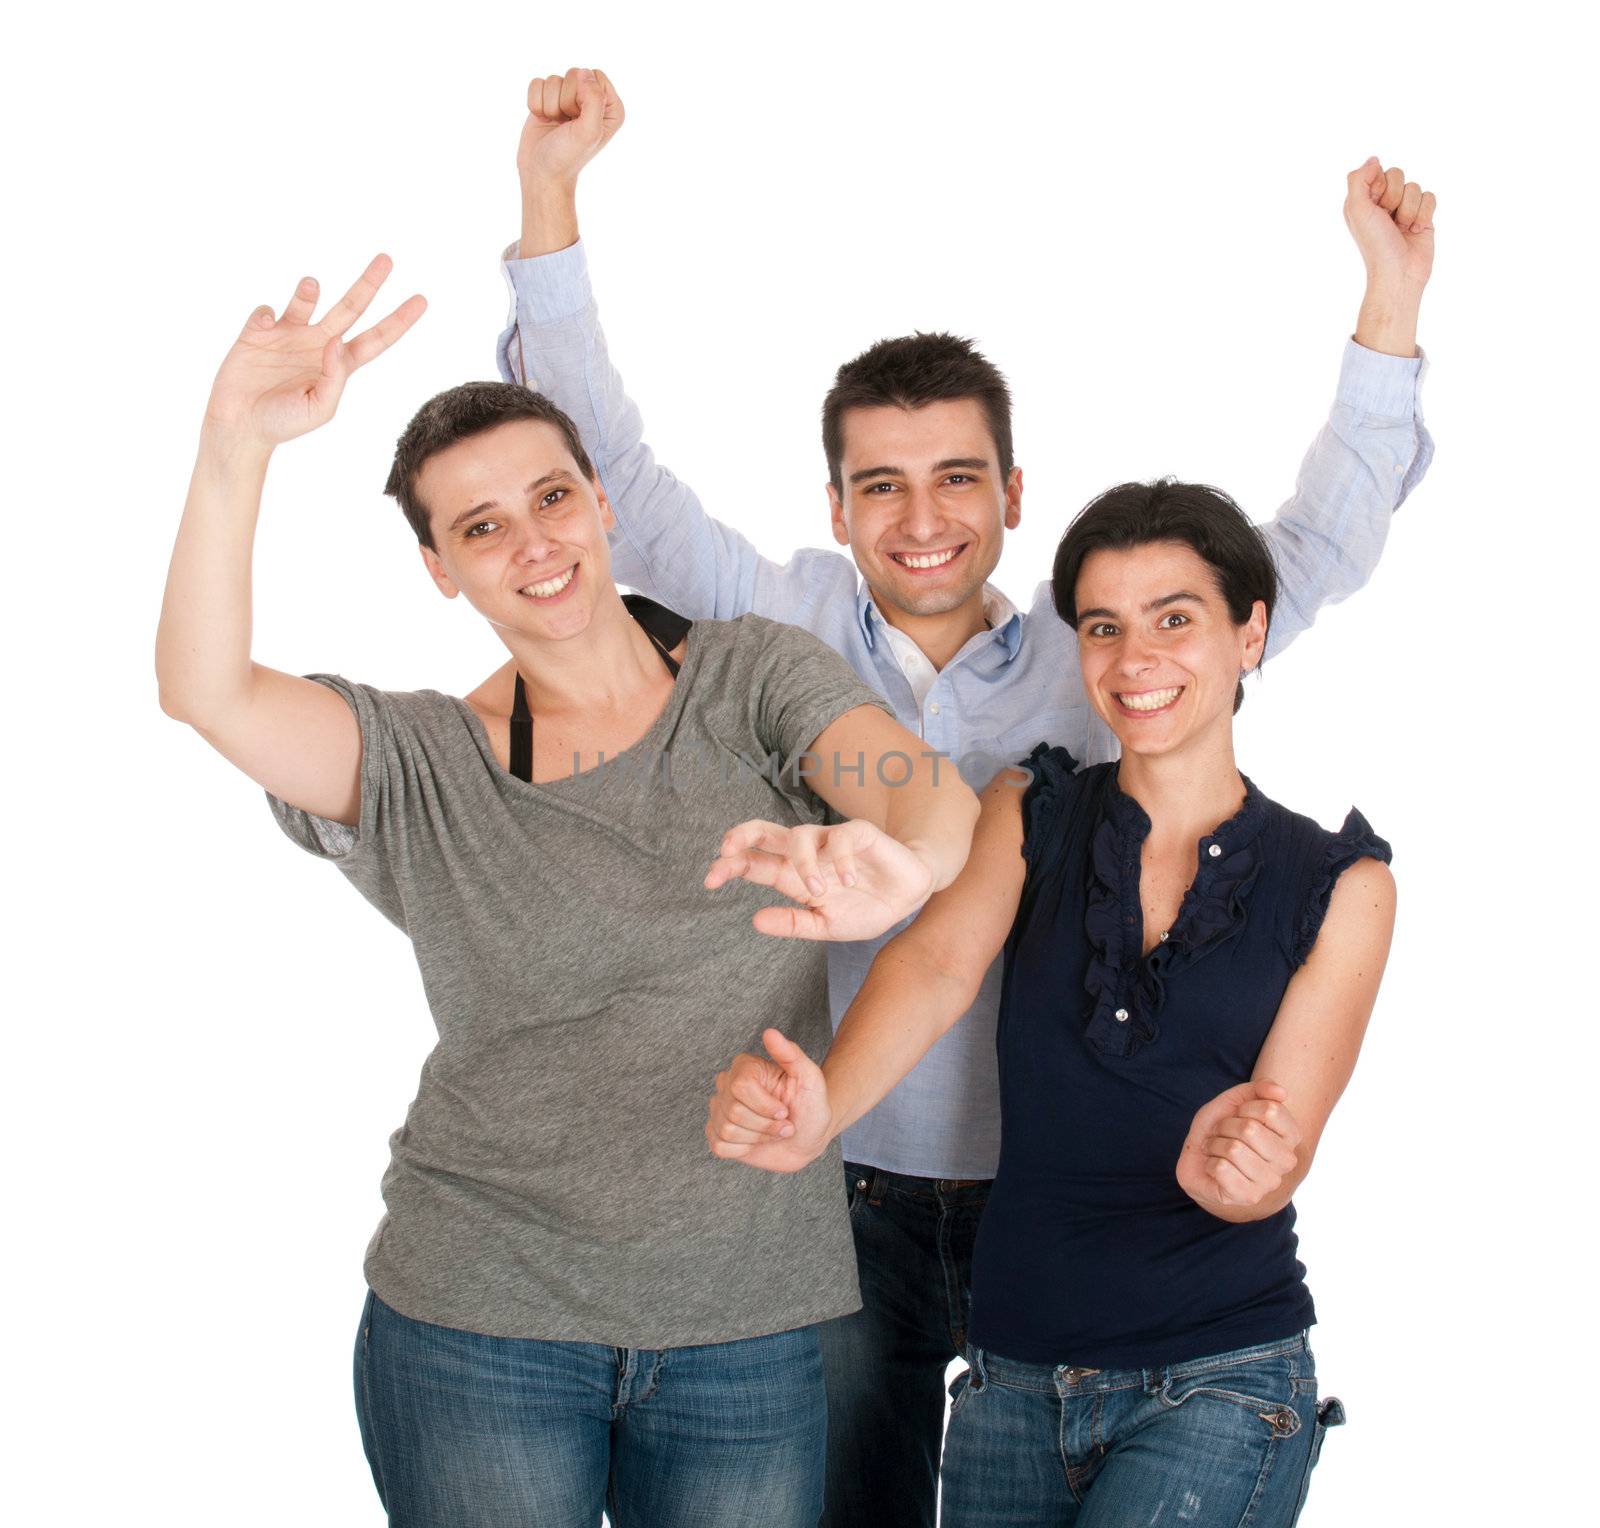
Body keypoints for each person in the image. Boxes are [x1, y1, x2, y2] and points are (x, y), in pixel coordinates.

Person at [498, 66, 1434, 1526]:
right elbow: (608, 470)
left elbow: (1308, 549)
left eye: (955, 480)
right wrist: (550, 203)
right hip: (845, 1191)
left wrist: (1388, 310)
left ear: (1013, 491)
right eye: (880, 486)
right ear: (835, 508)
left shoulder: (1109, 649)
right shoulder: (780, 626)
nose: (921, 520)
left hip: (1058, 1204)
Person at [154, 254, 979, 1527]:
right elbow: (207, 691)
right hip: (478, 1323)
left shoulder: (754, 678)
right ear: (440, 567)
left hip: (746, 1328)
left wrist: (903, 868)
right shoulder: (418, 761)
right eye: (481, 527)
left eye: (551, 497)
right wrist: (231, 445)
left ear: (600, 502)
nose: (533, 542)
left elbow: (929, 793)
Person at [707, 476, 1396, 1526]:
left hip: (1218, 1371)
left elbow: (1279, 1146)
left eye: (1176, 618)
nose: (1135, 660)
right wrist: (822, 1110)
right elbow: (937, 964)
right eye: (1104, 627)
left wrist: (1242, 1166)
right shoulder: (1029, 806)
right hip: (1013, 1381)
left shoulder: (1341, 884)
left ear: (1249, 634)